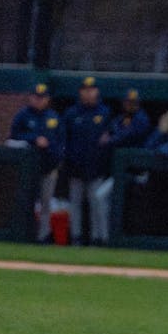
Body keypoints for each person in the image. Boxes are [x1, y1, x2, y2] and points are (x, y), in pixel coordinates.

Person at [87, 88, 152, 245]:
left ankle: (107, 238)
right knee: (102, 198)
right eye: (128, 103)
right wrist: (112, 138)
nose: (131, 106)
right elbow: (110, 133)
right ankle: (105, 238)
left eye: (134, 103)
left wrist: (111, 139)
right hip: (119, 172)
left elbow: (126, 136)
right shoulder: (119, 119)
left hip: (136, 172)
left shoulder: (141, 119)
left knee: (102, 197)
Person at [8, 83, 64, 243]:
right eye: (36, 97)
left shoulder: (53, 117)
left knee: (46, 204)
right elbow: (12, 137)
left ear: (47, 99)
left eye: (42, 98)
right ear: (30, 97)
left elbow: (60, 141)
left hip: (48, 167)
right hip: (28, 170)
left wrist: (57, 159)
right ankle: (24, 234)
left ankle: (43, 236)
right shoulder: (23, 116)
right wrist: (33, 139)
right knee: (26, 202)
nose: (38, 100)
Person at [62, 76, 111, 245]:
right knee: (75, 203)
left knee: (96, 203)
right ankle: (76, 237)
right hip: (75, 166)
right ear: (80, 92)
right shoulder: (71, 113)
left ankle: (97, 238)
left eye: (91, 89)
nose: (88, 93)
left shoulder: (104, 113)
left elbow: (111, 137)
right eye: (85, 90)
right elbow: (64, 139)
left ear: (97, 91)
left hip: (96, 166)